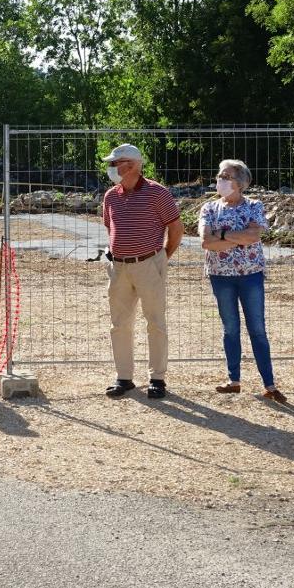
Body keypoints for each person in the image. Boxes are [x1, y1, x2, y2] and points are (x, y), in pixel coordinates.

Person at [198, 160, 286, 403]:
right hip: (220, 276)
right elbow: (206, 242)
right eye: (219, 175)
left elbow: (254, 236)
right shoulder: (209, 208)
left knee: (257, 329)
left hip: (251, 276)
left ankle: (269, 384)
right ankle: (233, 380)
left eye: (226, 176)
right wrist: (239, 238)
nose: (220, 180)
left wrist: (221, 235)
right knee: (230, 329)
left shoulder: (255, 206)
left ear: (240, 182)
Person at [100, 144, 183, 400]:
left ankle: (157, 378)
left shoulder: (158, 193)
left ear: (133, 165)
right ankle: (124, 377)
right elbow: (111, 228)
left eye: (116, 163)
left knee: (155, 322)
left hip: (149, 264)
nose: (111, 168)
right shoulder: (110, 196)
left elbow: (176, 229)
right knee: (119, 324)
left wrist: (162, 258)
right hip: (119, 267)